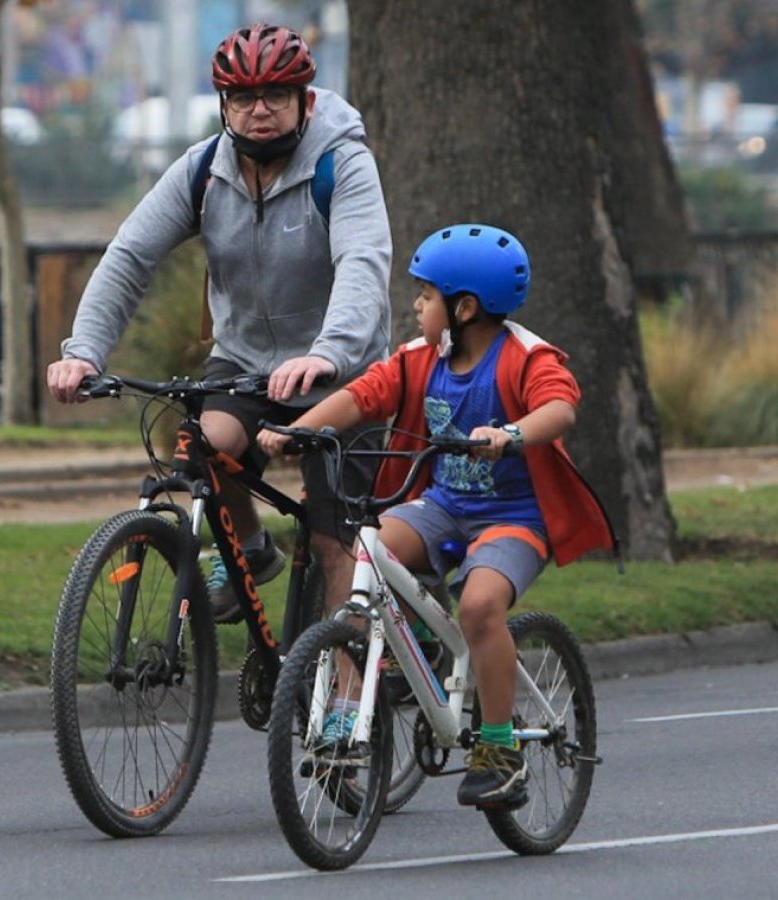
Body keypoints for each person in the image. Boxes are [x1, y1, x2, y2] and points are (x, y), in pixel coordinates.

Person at [257, 223, 616, 809]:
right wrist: (300, 429)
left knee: (479, 606)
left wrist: (511, 434)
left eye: (426, 297)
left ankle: (499, 752)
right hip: (446, 506)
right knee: (368, 554)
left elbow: (560, 406)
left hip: (514, 517)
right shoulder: (421, 359)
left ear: (464, 307)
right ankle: (367, 690)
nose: (417, 306)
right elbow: (363, 395)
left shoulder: (524, 357)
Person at [46, 23, 392, 623]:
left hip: (341, 371)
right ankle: (253, 553)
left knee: (337, 537)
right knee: (204, 448)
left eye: (276, 96)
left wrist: (329, 352)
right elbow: (130, 255)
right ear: (224, 105)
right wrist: (84, 351)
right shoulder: (204, 169)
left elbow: (362, 262)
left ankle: (345, 695)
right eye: (242, 98)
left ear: (305, 101)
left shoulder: (344, 165)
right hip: (244, 362)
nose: (259, 111)